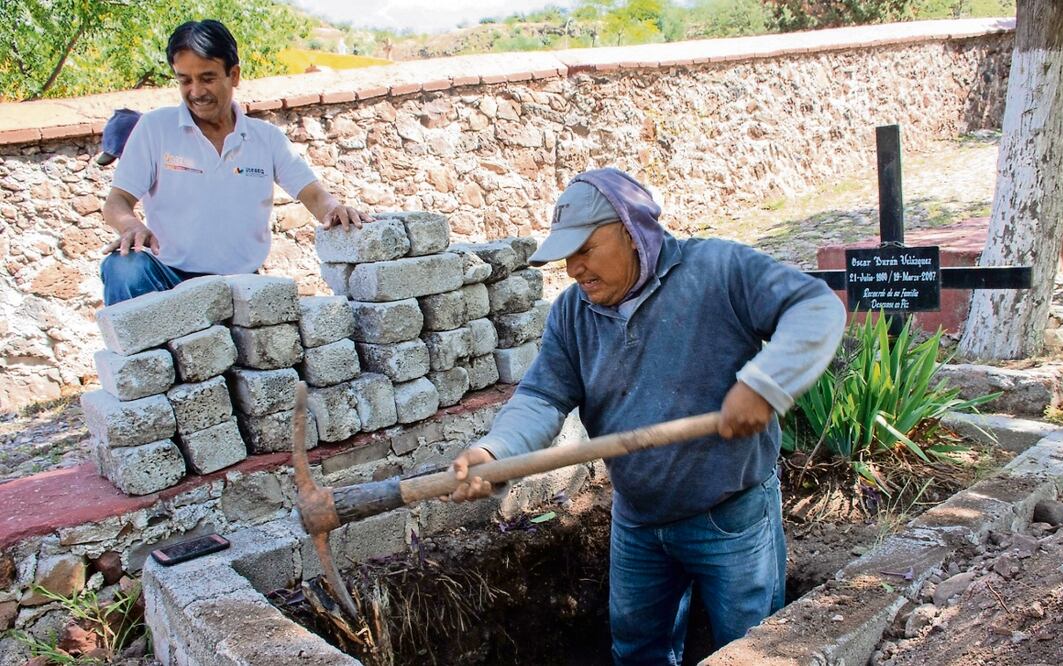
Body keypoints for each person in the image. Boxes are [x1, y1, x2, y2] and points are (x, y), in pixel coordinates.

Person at [447, 168, 846, 665]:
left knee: (750, 651)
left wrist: (764, 384)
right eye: (567, 255)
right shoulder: (573, 314)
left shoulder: (718, 271)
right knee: (637, 651)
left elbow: (814, 306)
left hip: (731, 516)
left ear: (632, 230)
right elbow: (542, 397)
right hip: (637, 521)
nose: (573, 268)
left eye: (585, 249)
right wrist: (495, 450)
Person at [100, 19, 369, 306]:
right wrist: (130, 225)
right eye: (185, 80)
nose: (196, 91)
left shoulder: (266, 139)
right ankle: (141, 353)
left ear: (234, 75)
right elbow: (117, 200)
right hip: (167, 280)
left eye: (207, 78)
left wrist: (334, 209)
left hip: (240, 289)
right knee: (123, 267)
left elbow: (313, 195)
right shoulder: (155, 128)